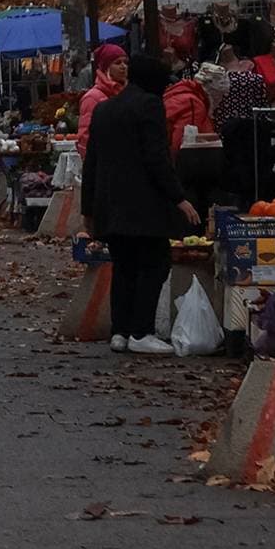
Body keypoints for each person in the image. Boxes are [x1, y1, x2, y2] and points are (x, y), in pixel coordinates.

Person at [81, 55, 201, 355]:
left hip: (110, 202)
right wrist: (179, 197)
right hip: (144, 204)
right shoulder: (149, 105)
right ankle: (141, 330)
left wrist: (88, 208)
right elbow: (156, 157)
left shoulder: (104, 109)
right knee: (154, 264)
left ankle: (120, 331)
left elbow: (92, 161)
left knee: (123, 267)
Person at [76, 43, 127, 157]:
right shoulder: (92, 98)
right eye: (118, 63)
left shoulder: (126, 93)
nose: (123, 66)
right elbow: (85, 138)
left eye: (125, 62)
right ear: (106, 67)